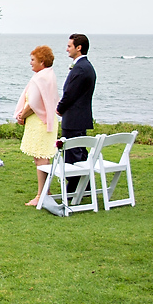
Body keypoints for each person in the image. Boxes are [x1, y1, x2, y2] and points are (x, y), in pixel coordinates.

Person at [14, 45, 60, 206]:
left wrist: (22, 115)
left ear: (42, 61)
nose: (30, 63)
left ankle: (41, 195)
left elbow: (33, 102)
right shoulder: (49, 76)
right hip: (47, 121)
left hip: (39, 122)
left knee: (40, 158)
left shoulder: (39, 78)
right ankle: (45, 190)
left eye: (33, 60)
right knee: (43, 157)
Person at [56, 33, 97, 193]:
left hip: (74, 119)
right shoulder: (86, 66)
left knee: (72, 155)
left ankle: (73, 188)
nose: (67, 49)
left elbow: (70, 94)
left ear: (78, 48)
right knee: (80, 153)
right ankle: (85, 187)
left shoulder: (80, 68)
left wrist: (59, 108)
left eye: (69, 46)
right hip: (81, 117)